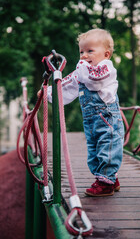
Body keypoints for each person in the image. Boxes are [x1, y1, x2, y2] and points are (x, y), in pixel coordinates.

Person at [47, 28, 124, 196]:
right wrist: (47, 92)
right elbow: (66, 86)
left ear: (106, 54)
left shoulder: (106, 68)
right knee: (94, 150)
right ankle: (110, 178)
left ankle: (106, 182)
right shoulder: (83, 71)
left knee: (107, 146)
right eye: (81, 51)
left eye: (90, 51)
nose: (84, 56)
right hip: (91, 120)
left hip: (107, 118)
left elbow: (94, 80)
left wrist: (81, 67)